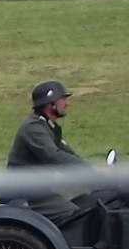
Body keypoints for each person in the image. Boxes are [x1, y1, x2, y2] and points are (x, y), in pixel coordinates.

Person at [6, 79, 91, 224]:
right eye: (63, 99)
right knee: (77, 216)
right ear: (50, 104)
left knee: (87, 204)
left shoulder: (48, 126)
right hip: (27, 195)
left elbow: (67, 154)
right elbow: (54, 156)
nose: (67, 104)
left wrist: (92, 171)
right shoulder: (33, 128)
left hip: (39, 192)